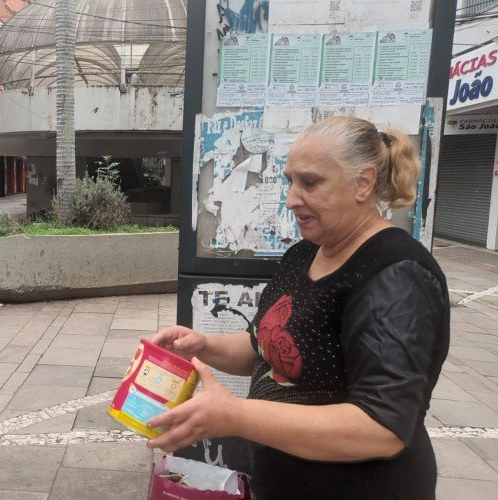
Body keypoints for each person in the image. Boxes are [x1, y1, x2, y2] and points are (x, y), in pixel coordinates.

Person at [148, 116, 450, 500]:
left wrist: (236, 416)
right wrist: (201, 344)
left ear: (364, 182)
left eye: (310, 182)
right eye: (290, 180)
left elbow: (382, 427)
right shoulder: (304, 253)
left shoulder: (396, 275)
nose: (291, 198)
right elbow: (265, 345)